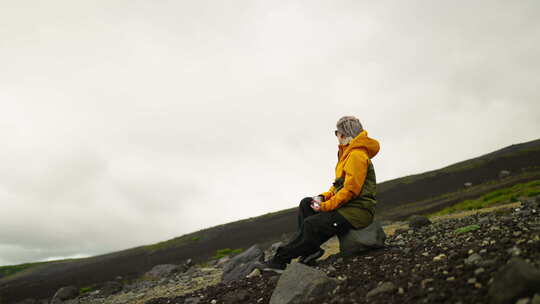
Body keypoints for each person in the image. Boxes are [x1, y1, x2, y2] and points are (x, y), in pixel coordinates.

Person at [263, 115, 380, 271]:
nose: (336, 136)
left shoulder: (356, 156)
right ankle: (311, 251)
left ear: (344, 134)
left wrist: (325, 207)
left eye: (337, 133)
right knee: (307, 203)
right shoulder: (347, 154)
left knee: (311, 225)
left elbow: (350, 190)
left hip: (357, 211)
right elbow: (338, 185)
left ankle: (280, 260)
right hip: (347, 207)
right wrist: (322, 197)